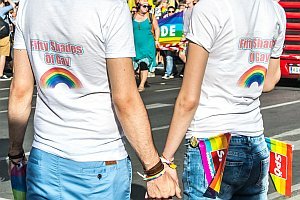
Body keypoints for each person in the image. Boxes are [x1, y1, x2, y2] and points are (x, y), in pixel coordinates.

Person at [8, 0, 181, 199]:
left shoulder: (29, 4)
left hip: (44, 158)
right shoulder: (110, 6)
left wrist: (15, 152)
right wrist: (154, 170)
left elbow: (20, 89)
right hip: (98, 161)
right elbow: (124, 99)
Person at [162, 0, 286, 199]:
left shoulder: (209, 8)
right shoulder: (276, 11)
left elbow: (188, 99)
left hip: (211, 141)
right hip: (254, 140)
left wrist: (166, 159)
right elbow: (269, 81)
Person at [132, 0, 160, 92]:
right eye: (144, 6)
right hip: (135, 46)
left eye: (148, 7)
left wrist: (156, 40)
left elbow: (156, 28)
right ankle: (141, 80)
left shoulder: (151, 17)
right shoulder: (132, 17)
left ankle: (141, 84)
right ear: (138, 6)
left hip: (148, 45)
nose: (146, 8)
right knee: (134, 66)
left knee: (144, 64)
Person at [0, 0, 15, 80]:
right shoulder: (2, 10)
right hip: (3, 36)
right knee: (2, 55)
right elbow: (13, 5)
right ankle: (0, 74)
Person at [162, 6, 177, 79]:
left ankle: (167, 73)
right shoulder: (164, 19)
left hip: (174, 41)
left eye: (172, 11)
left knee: (169, 57)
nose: (171, 13)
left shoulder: (177, 19)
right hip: (166, 40)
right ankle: (173, 71)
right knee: (169, 57)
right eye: (169, 11)